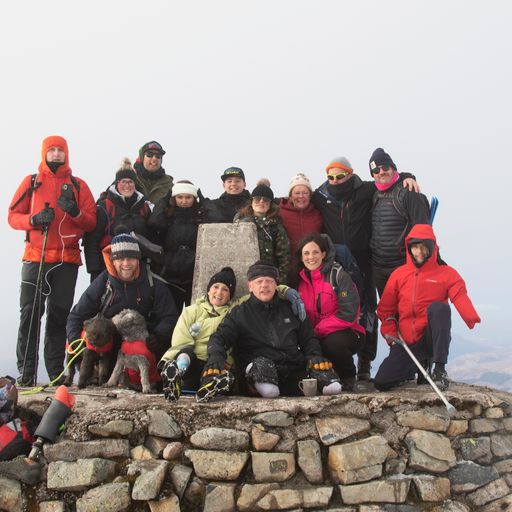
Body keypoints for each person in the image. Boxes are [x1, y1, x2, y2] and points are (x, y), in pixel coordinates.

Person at [312, 156, 419, 381]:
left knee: (369, 309)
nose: (335, 180)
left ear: (350, 173)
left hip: (364, 260)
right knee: (337, 309)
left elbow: (388, 181)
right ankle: (341, 361)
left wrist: (408, 177)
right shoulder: (320, 196)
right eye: (330, 176)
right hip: (336, 263)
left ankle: (365, 361)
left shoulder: (365, 190)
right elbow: (296, 199)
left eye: (340, 175)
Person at [8, 135, 96, 386]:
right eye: (52, 150)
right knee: (30, 315)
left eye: (61, 150)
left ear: (67, 154)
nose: (57, 154)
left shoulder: (78, 185)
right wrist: (34, 220)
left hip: (66, 260)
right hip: (36, 257)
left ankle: (56, 372)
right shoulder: (32, 182)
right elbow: (13, 216)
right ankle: (26, 374)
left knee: (59, 316)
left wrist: (75, 212)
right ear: (44, 153)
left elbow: (91, 221)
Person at [159, 266, 307, 401]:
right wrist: (179, 355)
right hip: (193, 358)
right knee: (185, 354)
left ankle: (210, 386)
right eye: (216, 287)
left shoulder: (234, 309)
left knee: (219, 370)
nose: (219, 292)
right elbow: (180, 340)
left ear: (230, 296)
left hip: (217, 361)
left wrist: (286, 291)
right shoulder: (192, 311)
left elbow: (261, 290)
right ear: (208, 290)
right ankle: (176, 373)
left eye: (225, 290)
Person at [200, 261, 342, 400]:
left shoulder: (291, 309)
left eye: (269, 281)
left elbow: (309, 338)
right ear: (250, 286)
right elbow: (218, 338)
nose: (264, 285)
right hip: (257, 370)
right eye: (259, 281)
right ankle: (262, 385)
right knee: (263, 370)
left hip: (292, 368)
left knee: (330, 383)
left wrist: (314, 356)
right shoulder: (239, 313)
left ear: (276, 284)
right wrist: (215, 357)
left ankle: (322, 382)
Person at [374, 224, 481, 392]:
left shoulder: (446, 273)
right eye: (415, 247)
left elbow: (459, 293)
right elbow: (386, 309)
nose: (419, 252)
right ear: (409, 248)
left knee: (440, 309)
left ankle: (439, 370)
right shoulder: (399, 275)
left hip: (429, 338)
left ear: (432, 248)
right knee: (381, 382)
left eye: (424, 247)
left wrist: (470, 316)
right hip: (406, 341)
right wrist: (390, 333)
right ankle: (414, 367)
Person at [67, 234, 178, 364]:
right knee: (85, 338)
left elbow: (169, 316)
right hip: (107, 343)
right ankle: (94, 373)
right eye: (121, 259)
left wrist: (158, 336)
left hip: (139, 341)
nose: (126, 263)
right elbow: (76, 316)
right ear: (113, 260)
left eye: (131, 258)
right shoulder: (103, 282)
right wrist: (76, 344)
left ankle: (140, 379)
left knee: (143, 351)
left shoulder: (153, 283)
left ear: (138, 260)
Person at [296, 233, 365, 390]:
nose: (311, 257)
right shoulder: (299, 281)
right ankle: (326, 377)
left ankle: (347, 377)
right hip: (314, 334)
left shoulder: (339, 275)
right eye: (306, 253)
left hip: (348, 331)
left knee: (331, 343)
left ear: (324, 254)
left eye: (315, 252)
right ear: (301, 257)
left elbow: (349, 314)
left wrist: (318, 330)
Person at [369, 148, 430, 297]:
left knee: (406, 311)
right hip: (379, 268)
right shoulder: (373, 193)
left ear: (393, 168)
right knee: (387, 312)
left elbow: (423, 230)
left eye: (385, 167)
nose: (381, 172)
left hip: (403, 265)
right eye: (376, 170)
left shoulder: (408, 192)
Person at [84, 158, 152, 282]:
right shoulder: (104, 207)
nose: (127, 185)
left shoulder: (144, 207)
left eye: (131, 182)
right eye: (123, 182)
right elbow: (91, 240)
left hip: (136, 267)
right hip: (107, 267)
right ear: (116, 183)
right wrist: (94, 270)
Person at [148, 180, 204, 311]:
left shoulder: (200, 216)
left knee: (195, 317)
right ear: (174, 198)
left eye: (188, 197)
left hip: (194, 276)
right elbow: (153, 222)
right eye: (180, 197)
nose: (184, 201)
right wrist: (165, 198)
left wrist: (204, 199)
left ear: (194, 198)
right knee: (172, 316)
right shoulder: (168, 216)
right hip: (170, 276)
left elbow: (216, 218)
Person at [235, 182, 291, 285]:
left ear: (270, 204)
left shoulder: (276, 226)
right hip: (244, 277)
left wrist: (280, 282)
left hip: (269, 278)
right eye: (257, 199)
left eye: (265, 200)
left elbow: (284, 258)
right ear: (251, 201)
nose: (261, 202)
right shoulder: (239, 224)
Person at [279, 173, 323, 272]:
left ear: (310, 196)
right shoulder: (280, 213)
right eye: (297, 193)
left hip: (313, 268)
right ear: (290, 196)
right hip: (288, 269)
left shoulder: (318, 214)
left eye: (305, 193)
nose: (301, 196)